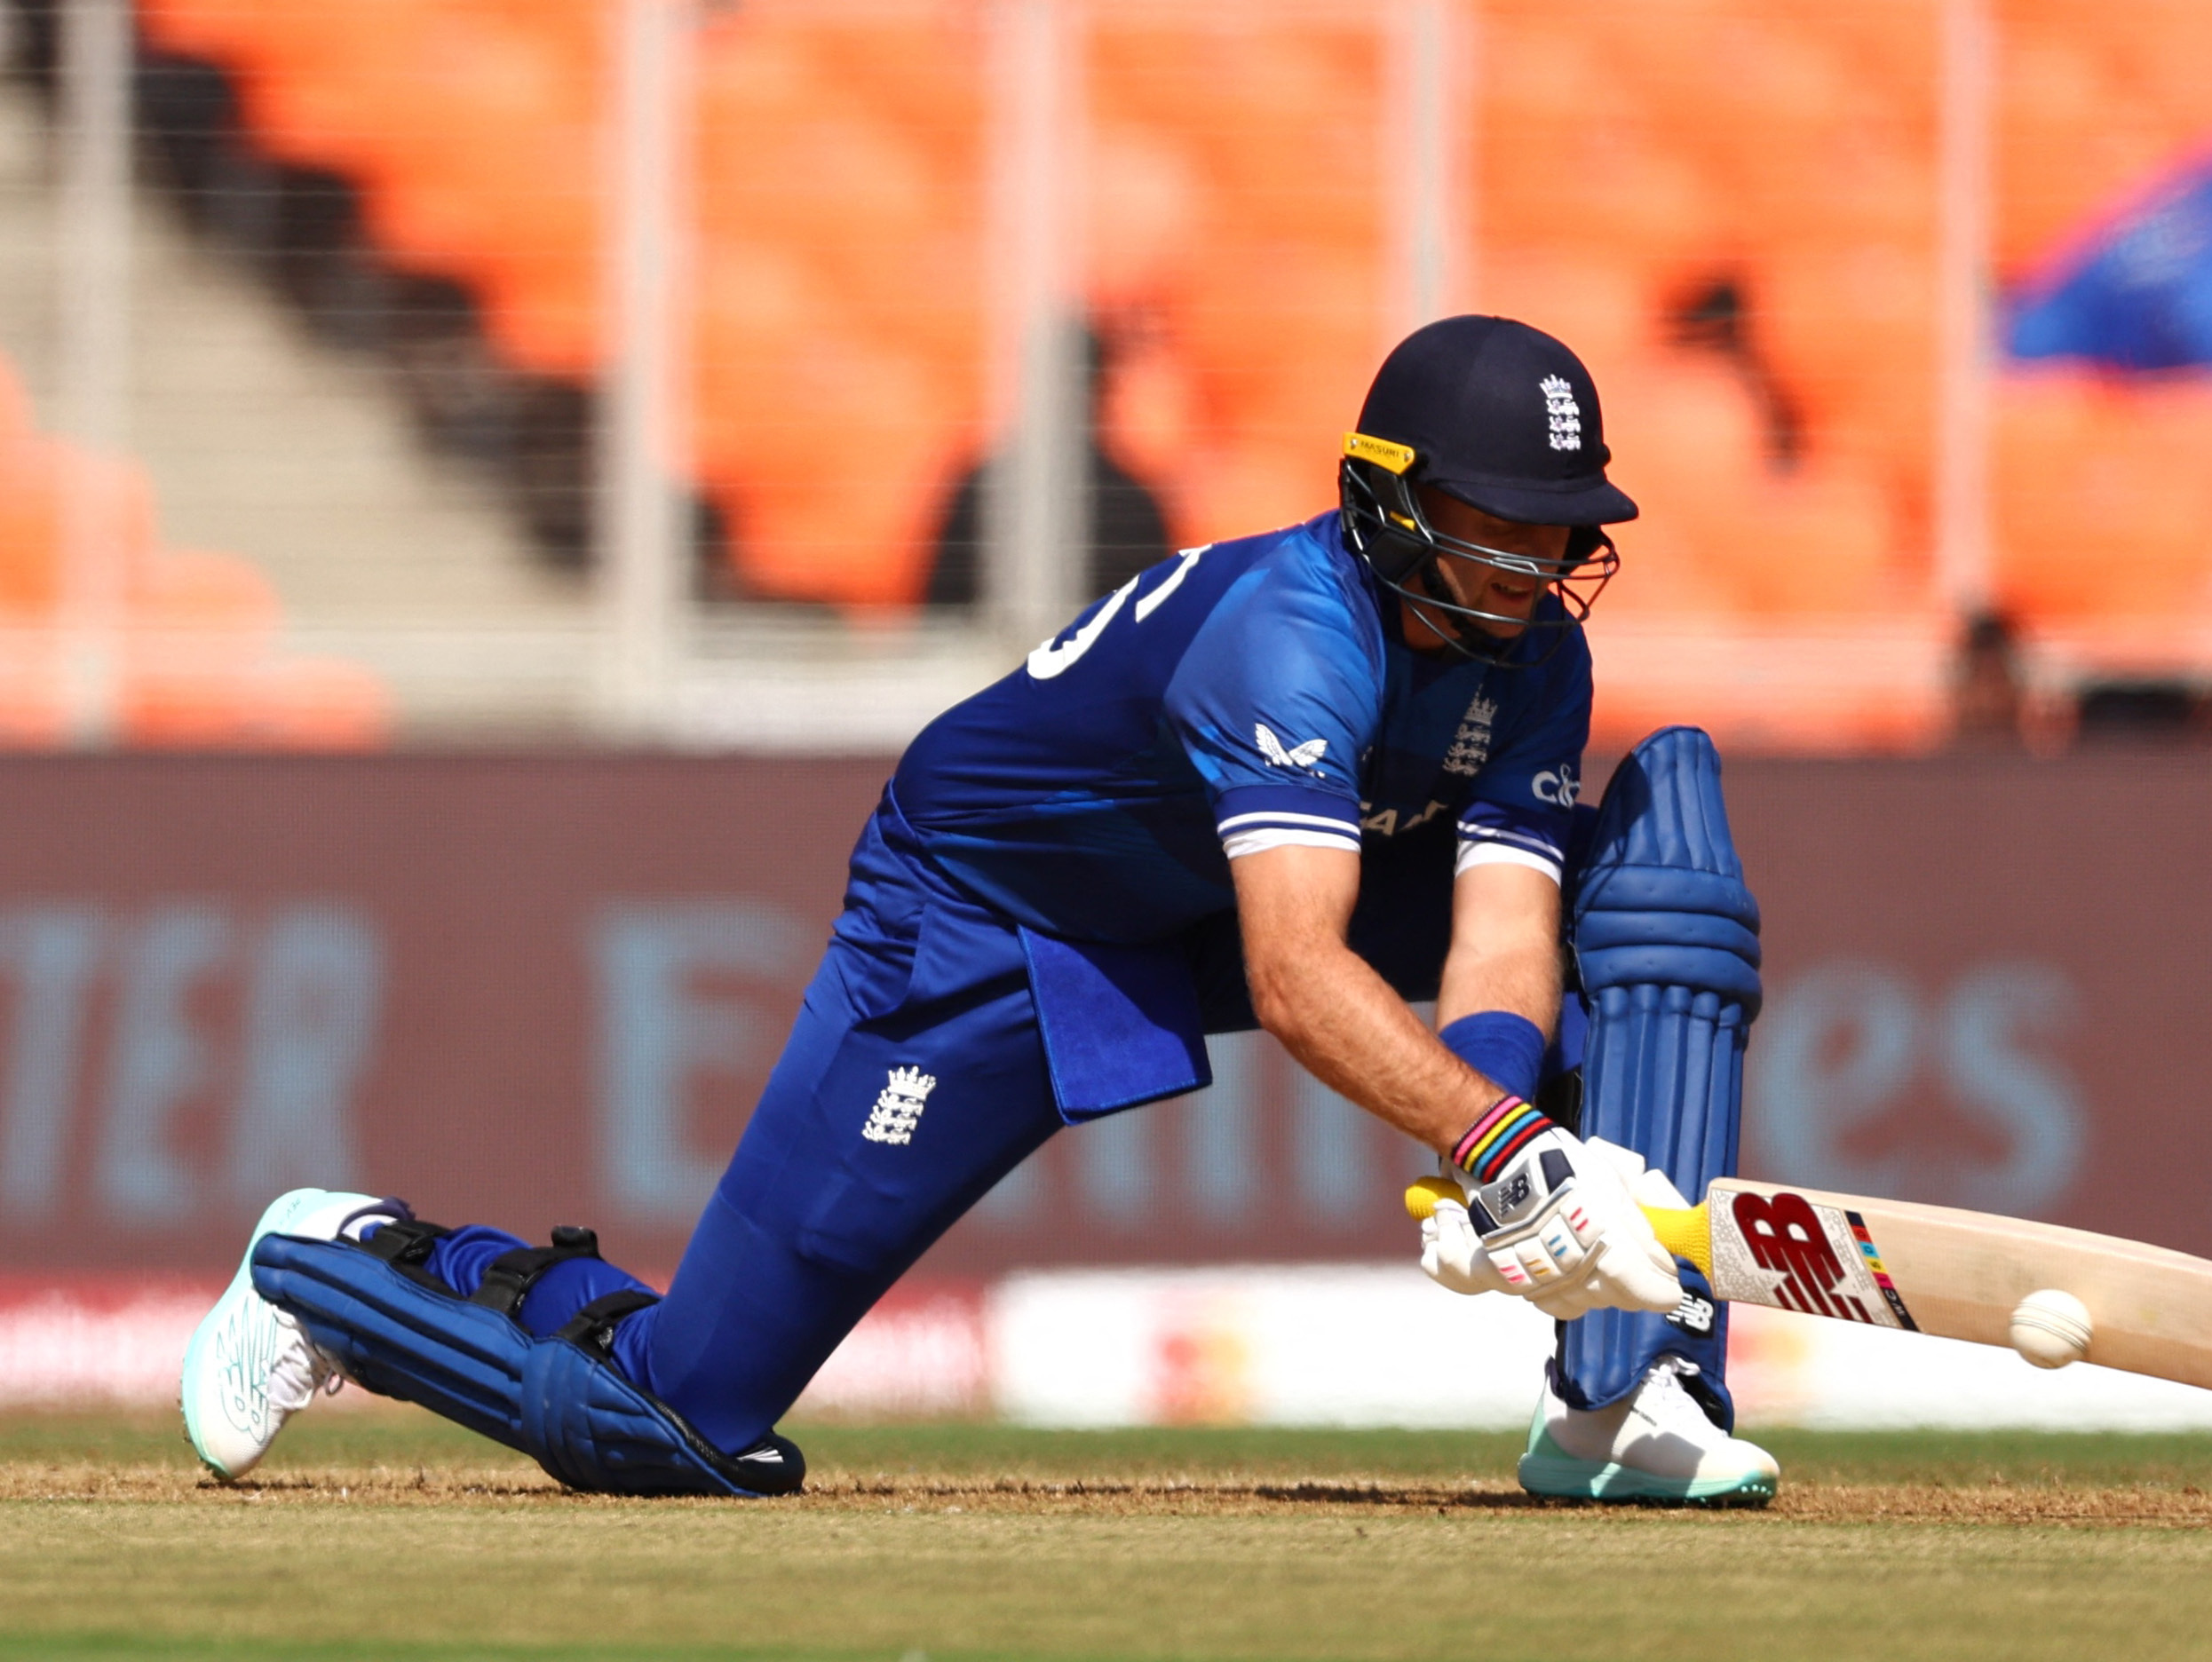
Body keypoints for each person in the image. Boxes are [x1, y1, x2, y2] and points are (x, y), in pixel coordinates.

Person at [179, 315, 1777, 1504]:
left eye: (1554, 529)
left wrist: (1492, 1145)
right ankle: (344, 1263)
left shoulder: (1538, 659)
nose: (1528, 567)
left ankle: (1622, 1405)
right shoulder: (1287, 637)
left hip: (1208, 894)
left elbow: (1496, 930)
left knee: (1651, 867)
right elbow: (1299, 972)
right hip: (990, 917)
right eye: (1492, 523)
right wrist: (1507, 1150)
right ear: (1385, 501)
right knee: (677, 1420)